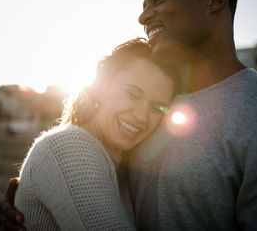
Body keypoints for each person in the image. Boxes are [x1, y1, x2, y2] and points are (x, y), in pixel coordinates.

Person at [0, 0, 257, 230]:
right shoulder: (157, 100)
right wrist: (36, 197)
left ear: (214, 0)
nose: (143, 17)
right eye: (143, 6)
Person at [9, 38, 177, 230]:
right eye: (133, 94)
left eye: (157, 107)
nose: (141, 116)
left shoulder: (118, 163)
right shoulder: (69, 146)